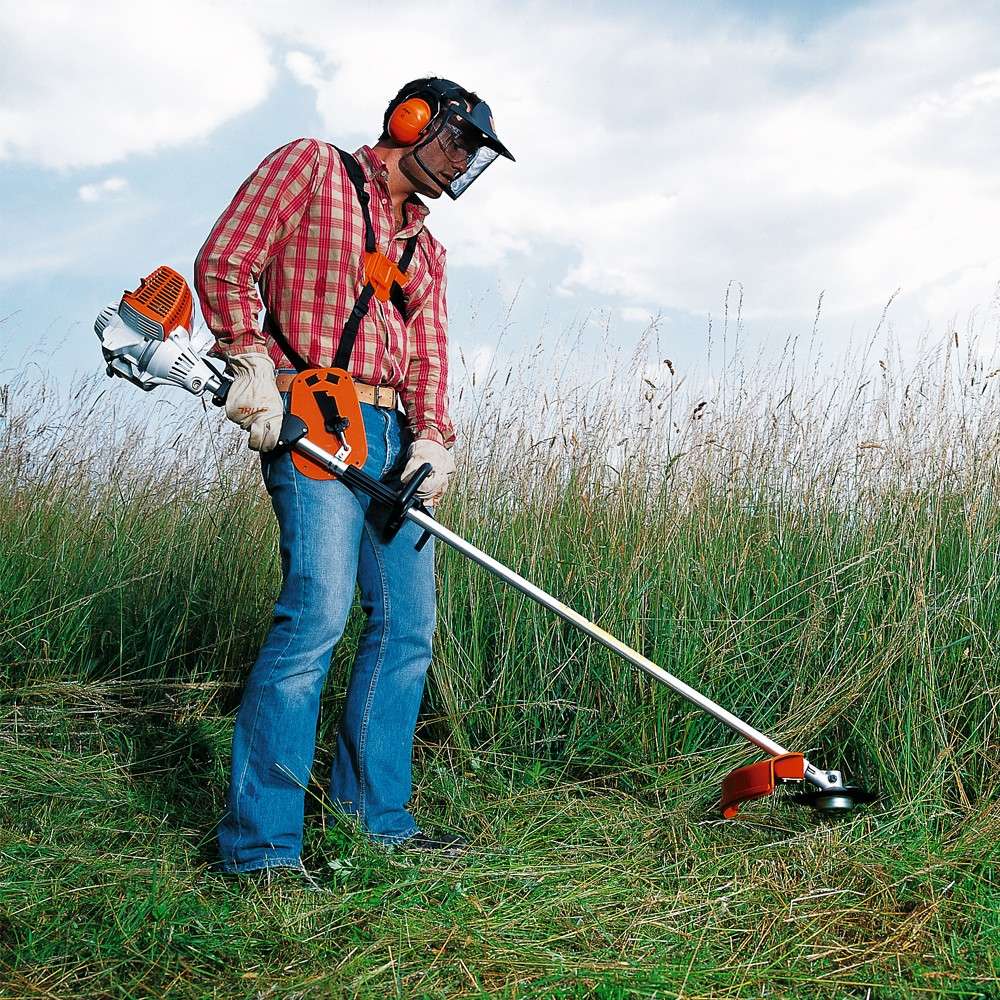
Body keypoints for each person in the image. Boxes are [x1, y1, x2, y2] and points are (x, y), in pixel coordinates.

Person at [194, 77, 514, 875]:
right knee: (317, 616)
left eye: (475, 156)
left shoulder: (426, 247)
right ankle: (262, 852)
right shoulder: (312, 168)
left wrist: (434, 441)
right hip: (313, 411)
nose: (464, 164)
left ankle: (377, 820)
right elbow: (226, 261)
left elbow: (431, 352)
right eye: (460, 143)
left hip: (395, 435)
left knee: (407, 629)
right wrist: (251, 361)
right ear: (414, 122)